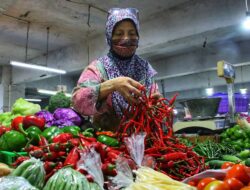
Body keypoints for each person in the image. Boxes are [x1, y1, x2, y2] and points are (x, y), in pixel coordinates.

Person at [72, 8, 161, 131]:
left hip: (142, 144)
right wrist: (113, 85)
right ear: (109, 36)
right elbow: (79, 102)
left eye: (131, 33)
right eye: (119, 34)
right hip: (107, 145)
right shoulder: (97, 68)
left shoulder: (145, 69)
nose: (126, 38)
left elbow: (156, 103)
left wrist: (159, 107)